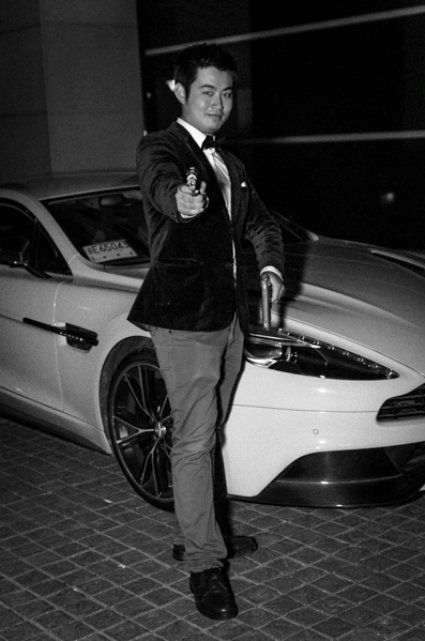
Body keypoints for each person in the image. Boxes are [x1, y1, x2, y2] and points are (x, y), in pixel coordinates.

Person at [128, 42, 285, 620]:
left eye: (227, 93)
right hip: (185, 319)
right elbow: (162, 186)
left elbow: (262, 223)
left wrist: (270, 266)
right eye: (206, 92)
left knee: (208, 431)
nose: (218, 104)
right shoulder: (160, 147)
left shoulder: (231, 165)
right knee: (194, 441)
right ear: (179, 91)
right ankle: (204, 565)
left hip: (230, 320)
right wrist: (183, 201)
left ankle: (208, 531)